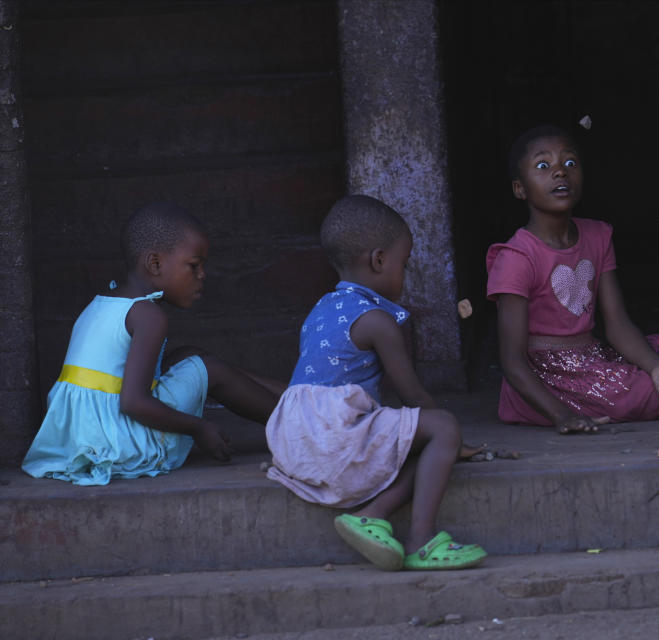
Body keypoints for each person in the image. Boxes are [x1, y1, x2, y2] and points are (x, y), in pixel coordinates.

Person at [265, 194, 487, 571]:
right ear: (379, 260)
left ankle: (372, 518)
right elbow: (412, 394)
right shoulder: (378, 322)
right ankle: (422, 540)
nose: (406, 271)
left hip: (295, 445)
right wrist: (454, 439)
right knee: (441, 429)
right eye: (405, 262)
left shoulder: (321, 309)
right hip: (335, 443)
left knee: (416, 441)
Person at [485, 124, 659, 434]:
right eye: (543, 166)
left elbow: (617, 325)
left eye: (570, 163)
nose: (560, 173)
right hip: (550, 381)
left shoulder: (597, 235)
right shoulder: (517, 257)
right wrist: (561, 415)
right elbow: (512, 361)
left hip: (596, 356)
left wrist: (655, 366)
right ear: (520, 189)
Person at [22, 202, 283, 485]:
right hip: (120, 443)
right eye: (194, 265)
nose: (202, 275)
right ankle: (298, 424)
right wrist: (199, 428)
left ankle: (294, 398)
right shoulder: (148, 316)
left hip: (82, 439)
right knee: (207, 368)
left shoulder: (105, 302)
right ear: (155, 263)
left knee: (190, 356)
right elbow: (134, 402)